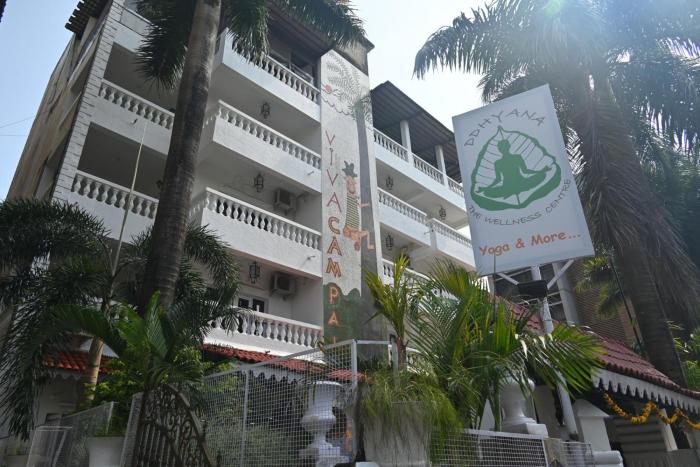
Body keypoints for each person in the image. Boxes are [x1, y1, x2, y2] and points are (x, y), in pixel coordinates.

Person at [478, 139, 551, 202]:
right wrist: (486, 188)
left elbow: (525, 171)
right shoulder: (498, 163)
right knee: (486, 193)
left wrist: (541, 171)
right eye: (501, 147)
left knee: (542, 175)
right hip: (509, 186)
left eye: (502, 147)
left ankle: (513, 190)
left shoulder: (516, 157)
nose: (502, 149)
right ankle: (514, 190)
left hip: (521, 182)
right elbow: (498, 179)